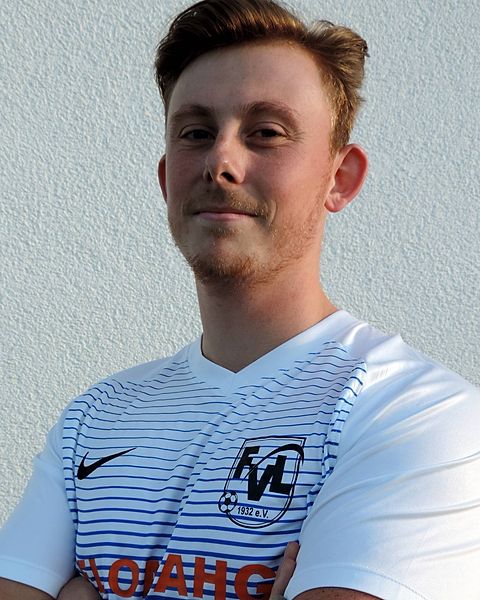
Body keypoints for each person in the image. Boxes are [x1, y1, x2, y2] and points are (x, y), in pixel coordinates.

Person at [1, 0, 479, 598]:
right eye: (196, 133)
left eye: (266, 133)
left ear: (340, 178)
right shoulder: (94, 418)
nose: (221, 161)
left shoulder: (417, 414)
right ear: (166, 179)